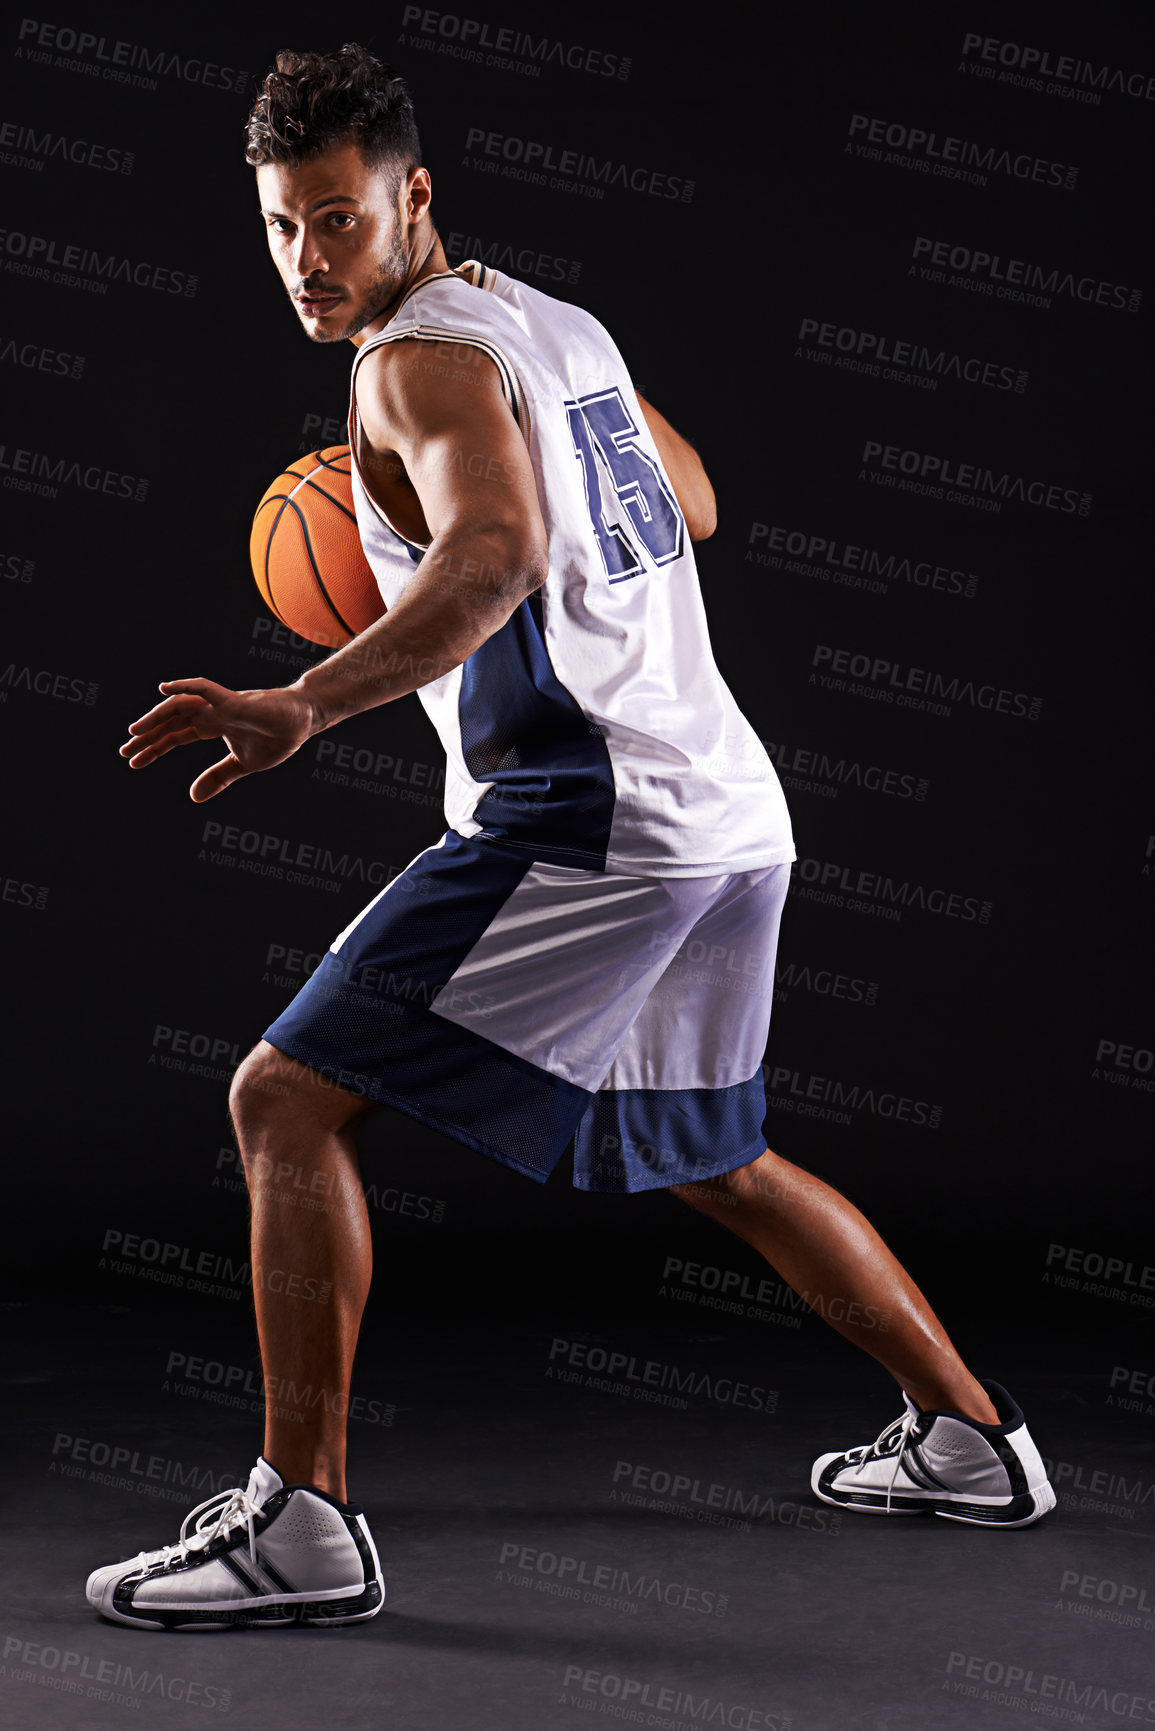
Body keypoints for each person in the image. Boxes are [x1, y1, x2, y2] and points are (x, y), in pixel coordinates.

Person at [87, 44, 1054, 1632]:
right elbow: (694, 496)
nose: (309, 261)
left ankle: (302, 1523)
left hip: (589, 817)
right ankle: (972, 1436)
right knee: (720, 1159)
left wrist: (307, 700)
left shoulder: (416, 364)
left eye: (337, 220)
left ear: (413, 198)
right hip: (729, 813)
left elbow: (493, 555)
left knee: (280, 1103)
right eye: (279, 228)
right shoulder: (552, 322)